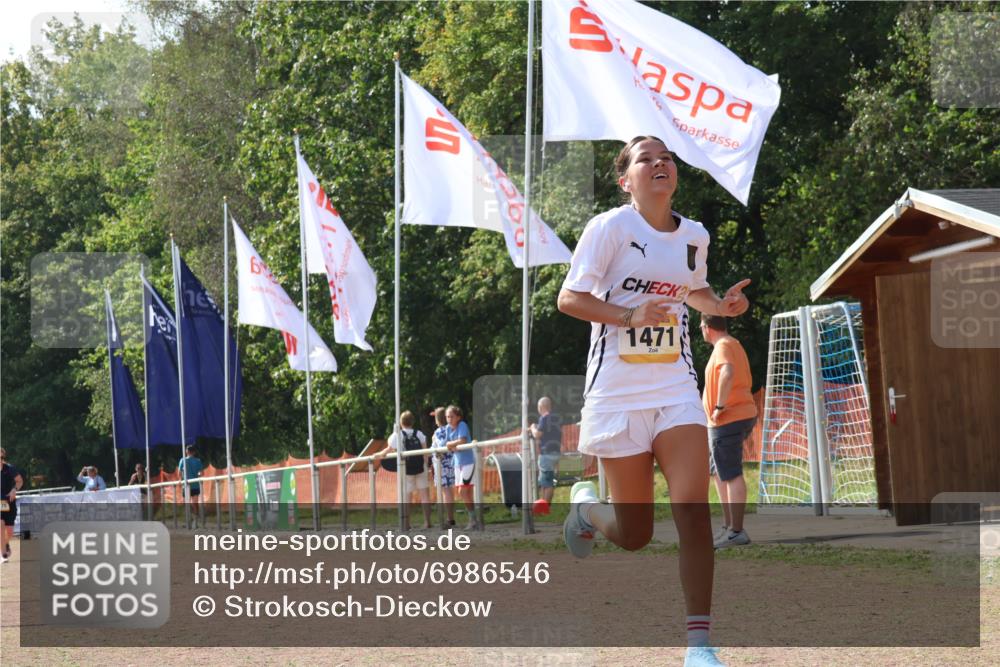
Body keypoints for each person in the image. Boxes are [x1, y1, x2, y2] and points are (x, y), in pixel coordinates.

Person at [557, 136, 750, 667]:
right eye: (646, 158)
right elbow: (569, 298)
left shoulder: (694, 236)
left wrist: (723, 304)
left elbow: (695, 292)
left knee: (693, 510)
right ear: (627, 181)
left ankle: (700, 646)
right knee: (636, 534)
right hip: (617, 393)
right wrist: (629, 316)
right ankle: (587, 511)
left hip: (673, 390)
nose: (660, 163)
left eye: (665, 157)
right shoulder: (609, 229)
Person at [700, 314, 758, 549]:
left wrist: (719, 407)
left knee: (731, 472)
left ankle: (736, 531)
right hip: (733, 417)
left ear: (707, 327)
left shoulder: (723, 345)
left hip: (728, 418)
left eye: (701, 326)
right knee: (720, 472)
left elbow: (727, 373)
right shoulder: (732, 343)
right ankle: (728, 527)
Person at [375, 411, 432, 530]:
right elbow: (425, 451)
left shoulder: (397, 435)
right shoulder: (419, 434)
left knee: (406, 497)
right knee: (424, 496)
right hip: (421, 467)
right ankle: (427, 522)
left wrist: (378, 455)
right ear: (413, 422)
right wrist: (426, 465)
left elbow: (389, 449)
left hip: (405, 469)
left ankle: (406, 523)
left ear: (400, 423)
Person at [444, 405, 478, 530]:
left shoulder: (462, 425)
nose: (449, 419)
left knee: (463, 492)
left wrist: (451, 444)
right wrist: (452, 444)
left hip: (468, 461)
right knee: (465, 492)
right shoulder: (448, 428)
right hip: (457, 463)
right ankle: (473, 519)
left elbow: (462, 440)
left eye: (451, 416)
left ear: (458, 417)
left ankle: (473, 519)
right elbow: (448, 445)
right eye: (447, 417)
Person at [529, 397, 562, 514]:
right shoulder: (556, 418)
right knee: (545, 482)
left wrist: (532, 428)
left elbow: (537, 434)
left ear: (540, 407)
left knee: (547, 483)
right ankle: (543, 506)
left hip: (546, 454)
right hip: (556, 453)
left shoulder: (544, 418)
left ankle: (545, 508)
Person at [430, 407, 456, 527]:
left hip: (442, 465)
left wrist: (433, 442)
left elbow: (438, 448)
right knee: (450, 491)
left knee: (446, 493)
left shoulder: (438, 432)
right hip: (452, 463)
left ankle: (449, 519)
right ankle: (450, 517)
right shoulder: (452, 428)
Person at [1, 449, 24, 563]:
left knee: (9, 531)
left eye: (1, 458)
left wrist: (14, 490)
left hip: (9, 501)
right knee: (0, 524)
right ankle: (3, 553)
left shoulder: (10, 468)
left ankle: (5, 543)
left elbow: (19, 481)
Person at [178, 446, 204, 522]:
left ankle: (189, 517)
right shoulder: (198, 461)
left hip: (186, 485)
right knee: (195, 502)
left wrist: (180, 480)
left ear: (187, 452)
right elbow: (202, 473)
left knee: (187, 502)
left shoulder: (182, 460)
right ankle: (196, 516)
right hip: (195, 484)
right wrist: (198, 474)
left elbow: (179, 472)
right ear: (194, 452)